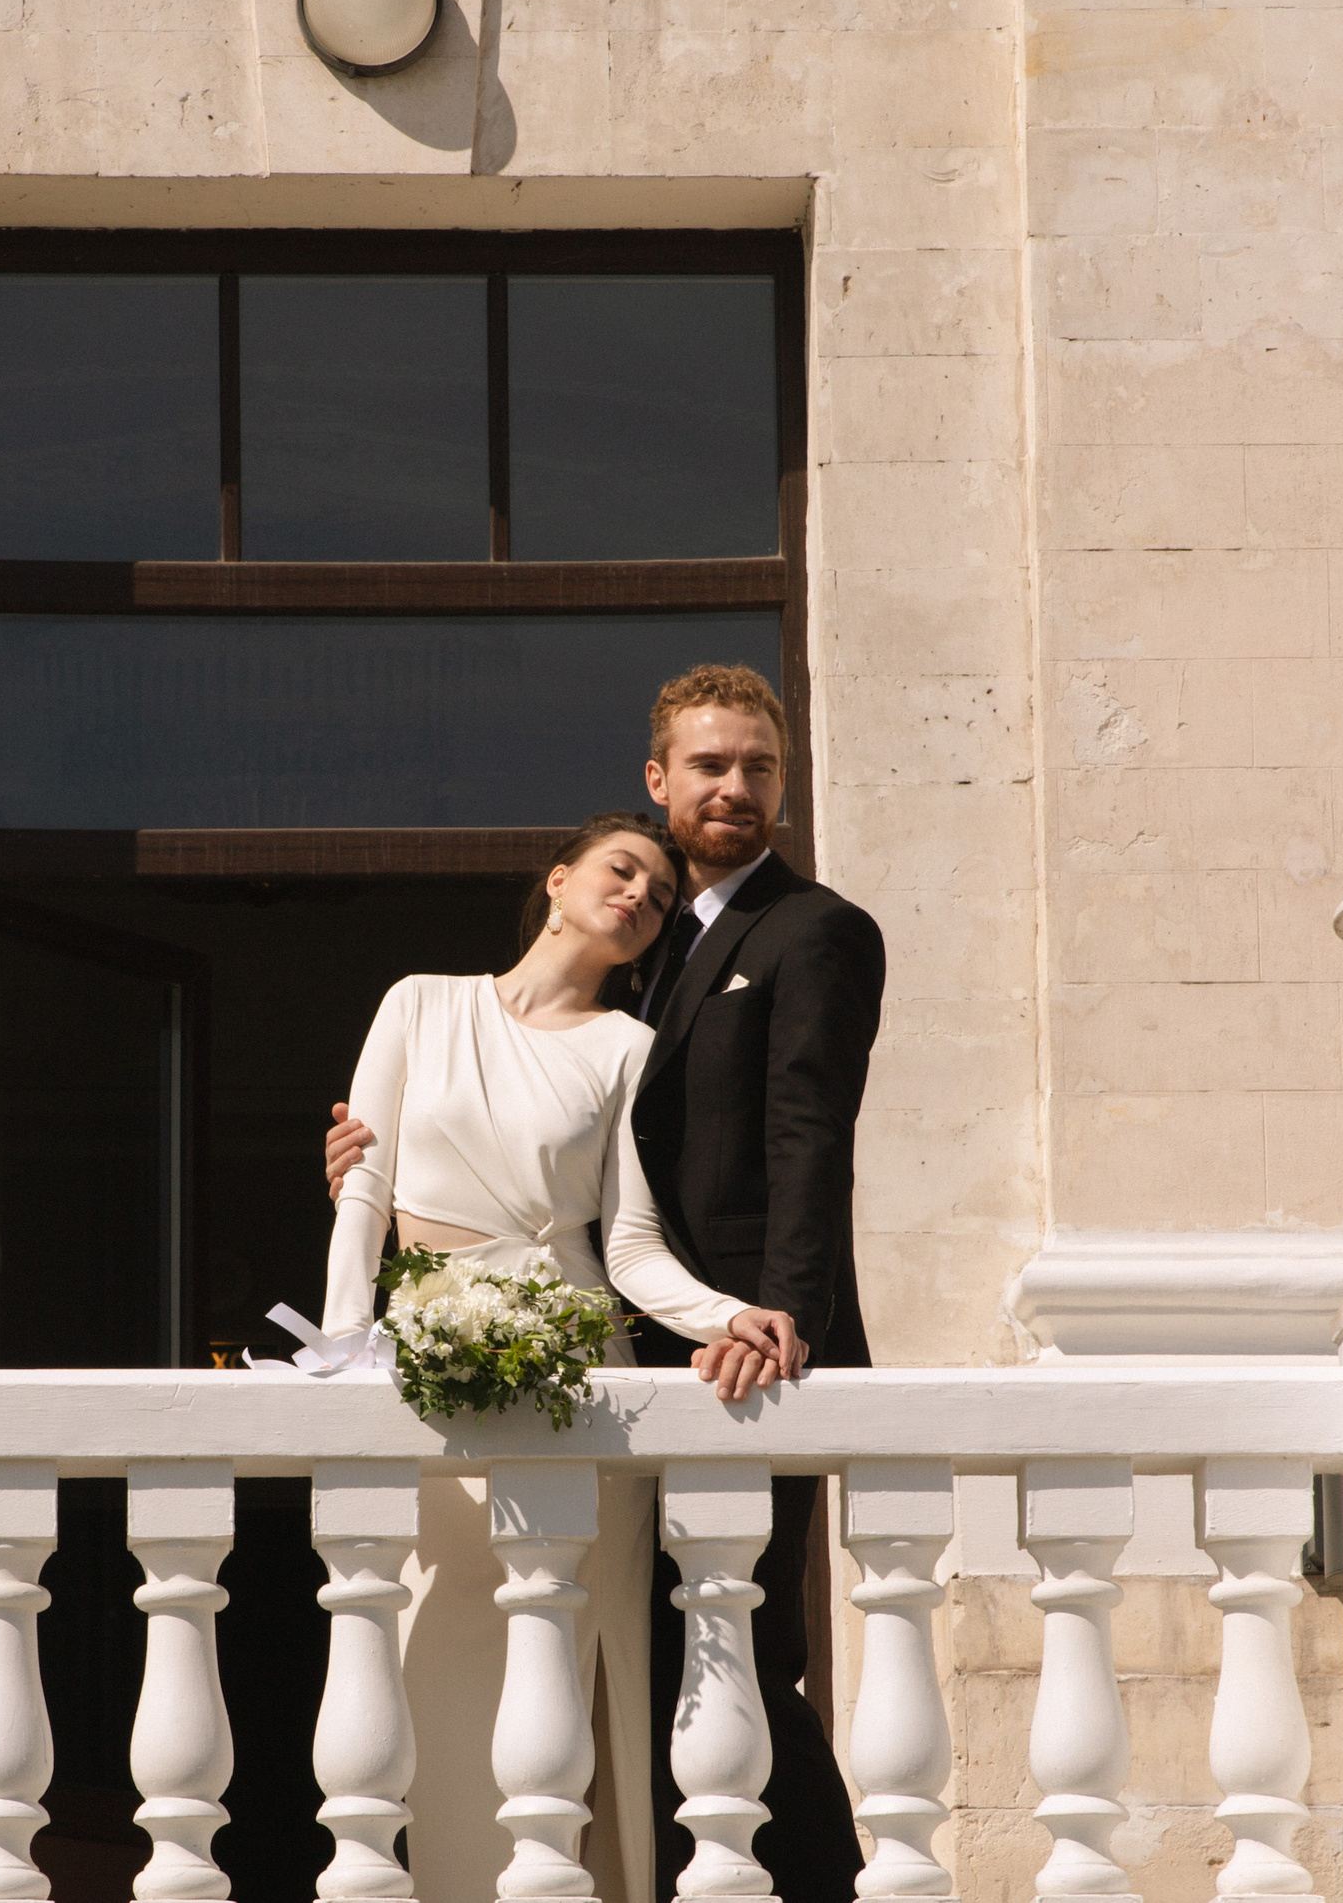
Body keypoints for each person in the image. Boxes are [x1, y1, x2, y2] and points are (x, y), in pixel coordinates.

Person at [329, 662, 884, 1903]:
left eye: (758, 766)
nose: (733, 786)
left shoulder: (810, 932)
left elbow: (808, 1137)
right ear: (657, 779)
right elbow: (405, 1178)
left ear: (784, 784)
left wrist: (779, 1312)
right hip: (550, 1358)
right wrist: (348, 1310)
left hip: (726, 1362)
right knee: (591, 1655)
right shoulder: (628, 967)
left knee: (728, 1650)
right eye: (708, 764)